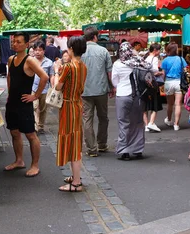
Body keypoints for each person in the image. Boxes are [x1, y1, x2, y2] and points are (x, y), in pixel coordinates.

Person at [4, 32, 49, 178]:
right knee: (14, 132)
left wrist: (35, 95)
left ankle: (35, 165)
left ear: (26, 44)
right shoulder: (11, 59)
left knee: (30, 134)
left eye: (18, 42)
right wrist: (10, 93)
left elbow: (45, 77)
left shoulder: (30, 61)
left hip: (24, 103)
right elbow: (10, 76)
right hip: (13, 102)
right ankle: (19, 161)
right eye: (14, 41)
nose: (15, 44)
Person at [55, 36, 87, 192]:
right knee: (75, 142)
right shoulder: (83, 66)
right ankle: (76, 177)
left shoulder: (68, 67)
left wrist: (56, 72)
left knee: (71, 143)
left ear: (72, 49)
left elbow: (57, 87)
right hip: (77, 104)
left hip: (68, 106)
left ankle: (76, 182)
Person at [111, 42, 151, 160]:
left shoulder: (117, 64)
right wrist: (137, 54)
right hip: (138, 96)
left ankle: (125, 151)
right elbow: (150, 67)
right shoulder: (138, 62)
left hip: (122, 95)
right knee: (138, 122)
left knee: (124, 123)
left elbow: (114, 81)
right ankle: (137, 150)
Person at [81, 26, 114, 157]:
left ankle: (91, 148)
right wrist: (112, 87)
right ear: (95, 37)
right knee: (103, 118)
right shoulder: (103, 51)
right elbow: (109, 72)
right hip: (101, 90)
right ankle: (102, 144)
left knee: (87, 119)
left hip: (84, 91)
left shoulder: (80, 51)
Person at [161, 43, 187, 131]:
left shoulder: (165, 60)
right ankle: (176, 124)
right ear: (176, 50)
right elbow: (185, 71)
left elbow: (163, 73)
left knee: (170, 104)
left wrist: (162, 83)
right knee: (178, 104)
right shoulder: (181, 59)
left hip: (168, 82)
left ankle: (169, 120)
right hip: (179, 82)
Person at [32, 41, 55, 133]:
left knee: (42, 109)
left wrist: (53, 86)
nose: (37, 52)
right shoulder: (31, 61)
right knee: (34, 107)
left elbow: (51, 75)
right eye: (36, 50)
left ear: (44, 51)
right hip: (33, 88)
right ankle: (35, 126)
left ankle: (41, 126)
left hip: (45, 89)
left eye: (40, 50)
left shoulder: (49, 62)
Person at [143, 44, 163, 132]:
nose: (159, 52)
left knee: (145, 106)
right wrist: (160, 73)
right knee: (155, 104)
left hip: (145, 84)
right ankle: (151, 122)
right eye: (159, 50)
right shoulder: (154, 59)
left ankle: (146, 125)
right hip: (153, 84)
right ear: (155, 50)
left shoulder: (145, 58)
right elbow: (154, 70)